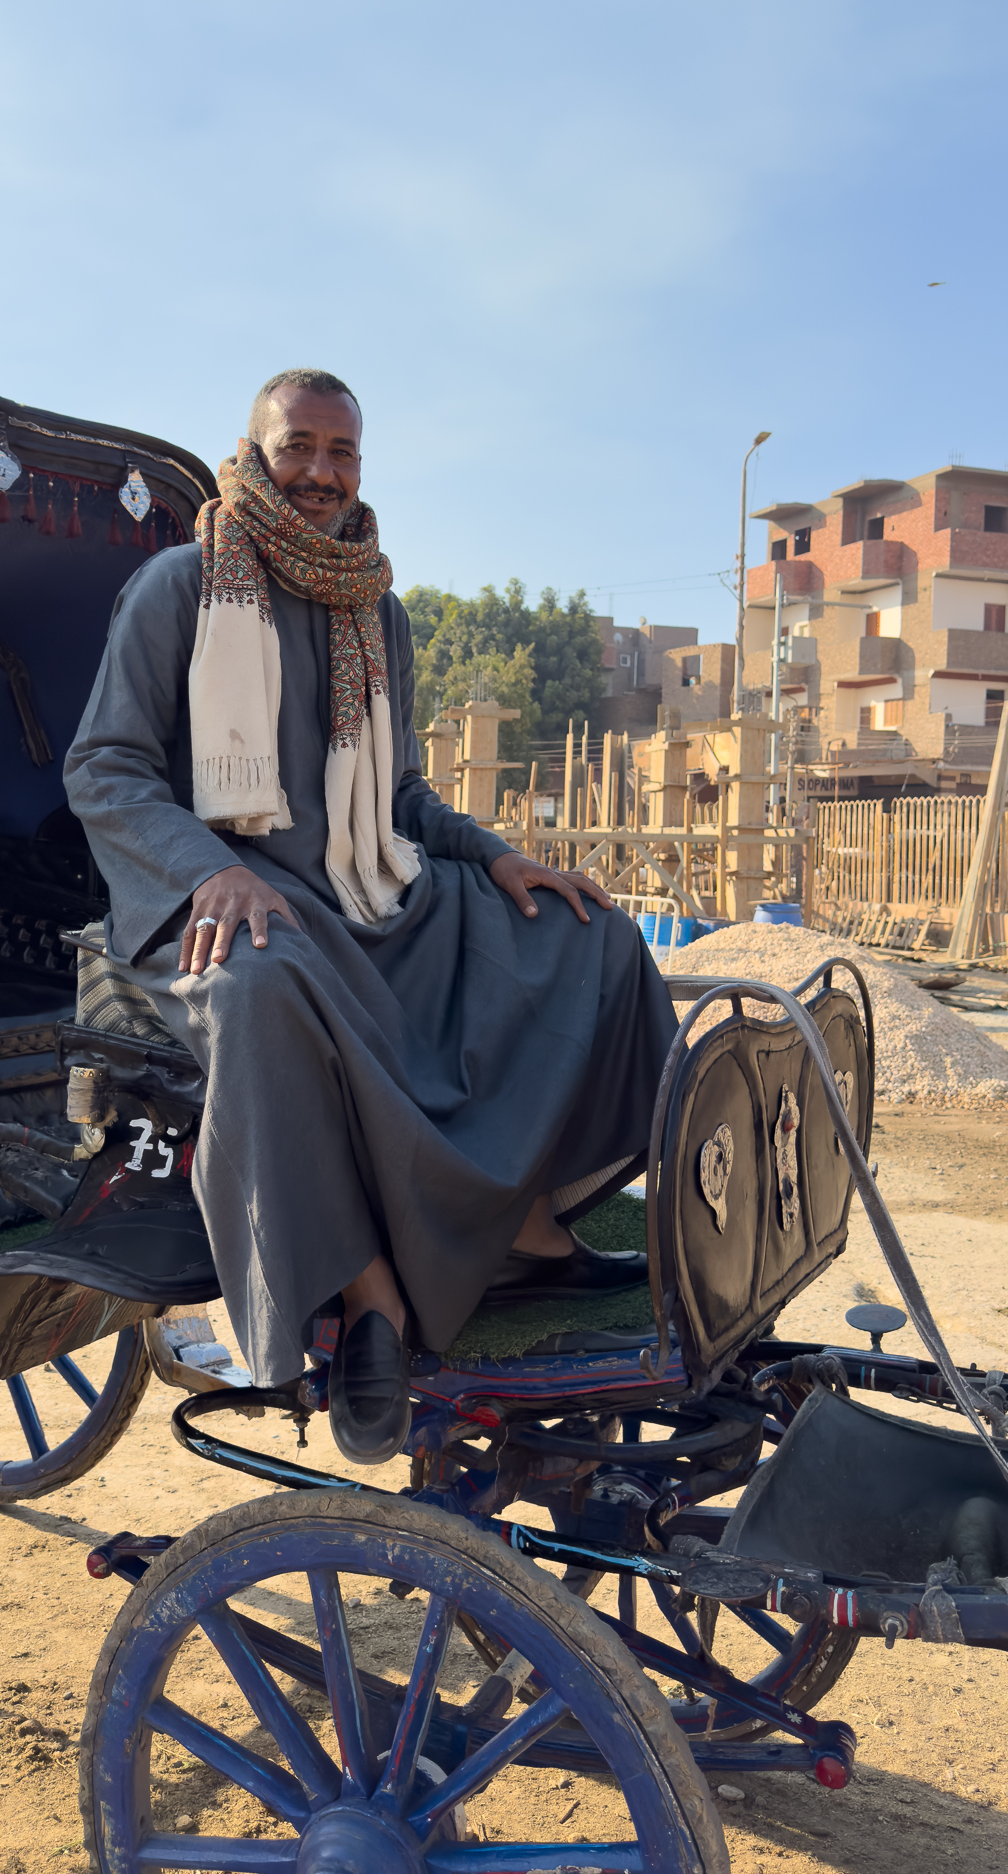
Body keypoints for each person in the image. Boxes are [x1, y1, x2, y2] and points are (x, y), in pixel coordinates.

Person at [65, 370, 678, 1462]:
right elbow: (105, 769)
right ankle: (372, 1298)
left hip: (364, 886)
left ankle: (526, 1224)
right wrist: (211, 869)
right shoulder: (176, 587)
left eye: (340, 454)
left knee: (590, 937)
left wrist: (499, 858)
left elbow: (396, 800)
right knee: (262, 984)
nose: (319, 473)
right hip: (210, 903)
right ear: (253, 455)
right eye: (297, 447)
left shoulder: (373, 608)